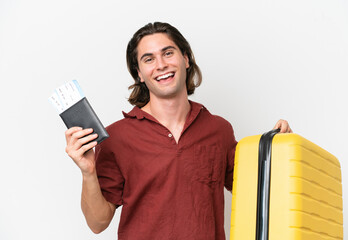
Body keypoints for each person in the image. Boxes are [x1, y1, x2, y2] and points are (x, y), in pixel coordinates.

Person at [65, 22, 292, 240]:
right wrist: (88, 172)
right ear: (140, 74)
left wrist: (278, 151)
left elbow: (255, 195)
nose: (161, 64)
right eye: (149, 59)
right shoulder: (117, 137)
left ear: (186, 59)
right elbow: (97, 223)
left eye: (168, 53)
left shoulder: (219, 130)